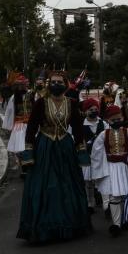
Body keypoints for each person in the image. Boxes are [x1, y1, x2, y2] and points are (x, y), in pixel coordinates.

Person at [17, 70, 91, 243]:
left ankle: (69, 224)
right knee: (46, 186)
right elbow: (31, 128)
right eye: (53, 82)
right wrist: (28, 152)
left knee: (68, 185)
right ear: (49, 84)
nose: (56, 85)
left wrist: (81, 151)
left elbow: (78, 129)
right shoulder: (41, 103)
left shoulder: (72, 103)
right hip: (45, 146)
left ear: (66, 84)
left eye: (60, 82)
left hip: (65, 146)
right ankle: (45, 226)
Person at [91, 105, 128, 236]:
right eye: (113, 119)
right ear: (108, 120)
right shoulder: (103, 134)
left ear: (122, 118)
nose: (116, 121)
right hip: (110, 168)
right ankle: (116, 224)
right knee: (114, 196)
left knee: (126, 194)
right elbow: (96, 153)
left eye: (118, 118)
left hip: (125, 167)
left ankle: (125, 219)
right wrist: (100, 168)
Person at [3, 74, 33, 177]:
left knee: (27, 146)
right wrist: (10, 126)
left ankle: (27, 167)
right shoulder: (14, 97)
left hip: (29, 125)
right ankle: (24, 168)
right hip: (20, 125)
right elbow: (10, 112)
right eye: (24, 84)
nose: (25, 86)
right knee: (21, 147)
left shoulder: (31, 95)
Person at [81, 98, 108, 213]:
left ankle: (106, 205)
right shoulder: (80, 125)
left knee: (102, 179)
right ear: (85, 111)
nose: (94, 111)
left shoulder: (103, 123)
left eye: (96, 109)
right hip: (86, 156)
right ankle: (90, 202)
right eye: (91, 109)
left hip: (101, 156)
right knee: (88, 182)